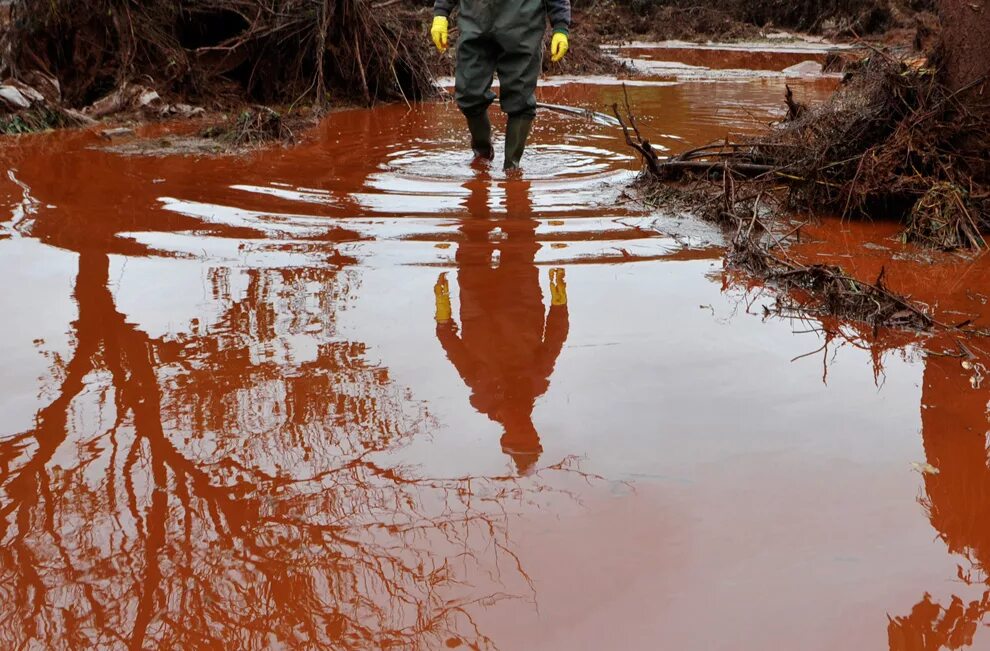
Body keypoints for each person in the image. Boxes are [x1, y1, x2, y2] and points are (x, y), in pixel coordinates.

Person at [434, 175, 570, 474]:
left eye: (520, 437)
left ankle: (477, 187)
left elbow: (455, 351)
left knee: (472, 238)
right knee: (520, 234)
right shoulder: (537, 381)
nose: (525, 428)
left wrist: (443, 318)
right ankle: (515, 184)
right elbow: (555, 340)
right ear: (535, 432)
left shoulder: (482, 395)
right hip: (521, 298)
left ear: (505, 436)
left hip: (477, 304)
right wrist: (559, 303)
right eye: (531, 435)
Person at [429, 0, 572, 170]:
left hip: (523, 26)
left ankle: (512, 170)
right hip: (475, 23)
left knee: (520, 99)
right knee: (468, 93)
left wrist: (561, 27)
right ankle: (482, 155)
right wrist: (440, 13)